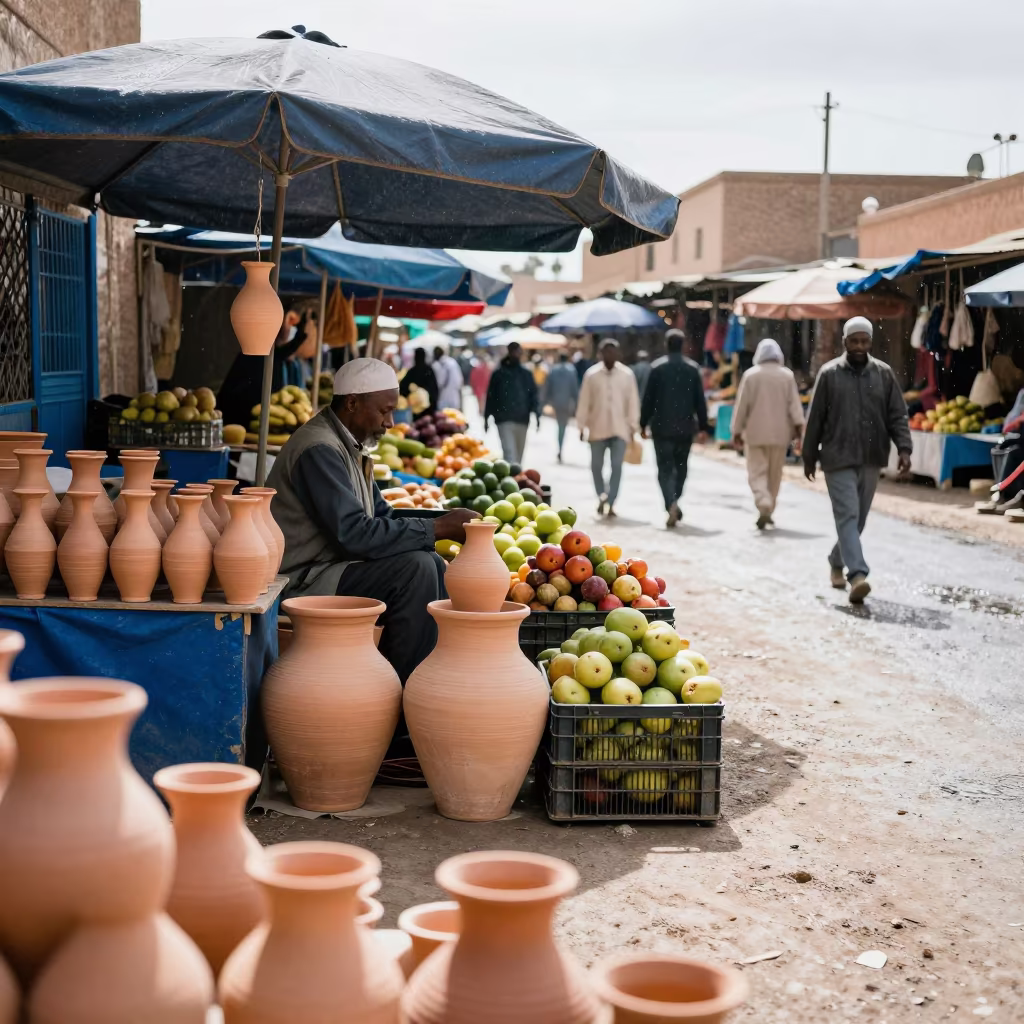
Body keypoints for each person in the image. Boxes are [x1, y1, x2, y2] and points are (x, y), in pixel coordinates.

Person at [267, 358, 477, 681]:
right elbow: (355, 535)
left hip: (334, 567)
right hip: (303, 580)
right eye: (384, 411)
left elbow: (383, 516)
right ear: (352, 403)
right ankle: (398, 691)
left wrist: (441, 526)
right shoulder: (319, 449)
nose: (391, 422)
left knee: (432, 563)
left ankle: (421, 681)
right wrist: (439, 527)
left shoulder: (348, 446)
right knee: (415, 571)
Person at [803, 316, 912, 604]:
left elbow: (897, 415)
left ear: (871, 342)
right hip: (836, 457)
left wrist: (904, 448)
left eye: (864, 341)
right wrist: (808, 456)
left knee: (858, 519)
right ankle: (858, 575)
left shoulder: (883, 374)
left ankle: (836, 559)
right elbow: (815, 419)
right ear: (845, 342)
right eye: (855, 341)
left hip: (872, 456)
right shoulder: (829, 374)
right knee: (848, 515)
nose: (860, 346)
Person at [732, 338, 805, 530]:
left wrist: (736, 431)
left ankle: (763, 503)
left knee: (756, 472)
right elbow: (795, 406)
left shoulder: (750, 375)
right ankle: (769, 507)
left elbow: (742, 406)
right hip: (780, 435)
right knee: (774, 474)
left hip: (755, 434)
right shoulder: (787, 376)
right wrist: (799, 429)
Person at [640, 329, 709, 527]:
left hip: (661, 429)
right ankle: (675, 499)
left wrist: (643, 423)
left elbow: (648, 400)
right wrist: (703, 426)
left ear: (666, 345)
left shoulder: (657, 368)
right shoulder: (692, 369)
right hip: (685, 429)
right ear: (683, 345)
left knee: (664, 469)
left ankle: (670, 502)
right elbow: (700, 401)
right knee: (681, 468)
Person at [217, 308, 312, 429]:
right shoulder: (262, 351)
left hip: (242, 416)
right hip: (240, 418)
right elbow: (286, 349)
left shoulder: (259, 350)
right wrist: (302, 328)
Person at [576, 339, 640, 517]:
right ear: (600, 354)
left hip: (620, 430)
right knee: (596, 466)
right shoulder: (591, 375)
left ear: (618, 354)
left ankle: (611, 501)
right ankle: (601, 495)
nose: (609, 356)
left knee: (616, 466)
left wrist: (633, 426)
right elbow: (584, 402)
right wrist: (581, 426)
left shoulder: (627, 375)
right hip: (597, 429)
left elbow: (633, 402)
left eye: (612, 353)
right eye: (606, 352)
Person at [484, 342, 540, 464]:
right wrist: (487, 417)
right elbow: (491, 397)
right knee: (510, 456)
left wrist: (537, 414)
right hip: (503, 420)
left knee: (518, 457)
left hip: (522, 419)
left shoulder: (526, 374)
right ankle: (513, 480)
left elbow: (533, 395)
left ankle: (516, 480)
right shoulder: (498, 374)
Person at [542, 351, 580, 462]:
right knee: (562, 427)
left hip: (556, 403)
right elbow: (574, 389)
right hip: (567, 403)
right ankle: (560, 446)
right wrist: (577, 403)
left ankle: (560, 446)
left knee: (560, 426)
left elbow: (548, 387)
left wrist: (546, 401)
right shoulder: (571, 370)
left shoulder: (554, 370)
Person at [399, 347, 438, 416]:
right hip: (427, 409)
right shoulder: (429, 370)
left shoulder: (413, 371)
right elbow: (435, 389)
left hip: (417, 409)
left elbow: (403, 387)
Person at [432, 345, 464, 411]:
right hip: (454, 396)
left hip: (443, 397)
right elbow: (459, 381)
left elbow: (438, 382)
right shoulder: (453, 362)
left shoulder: (436, 365)